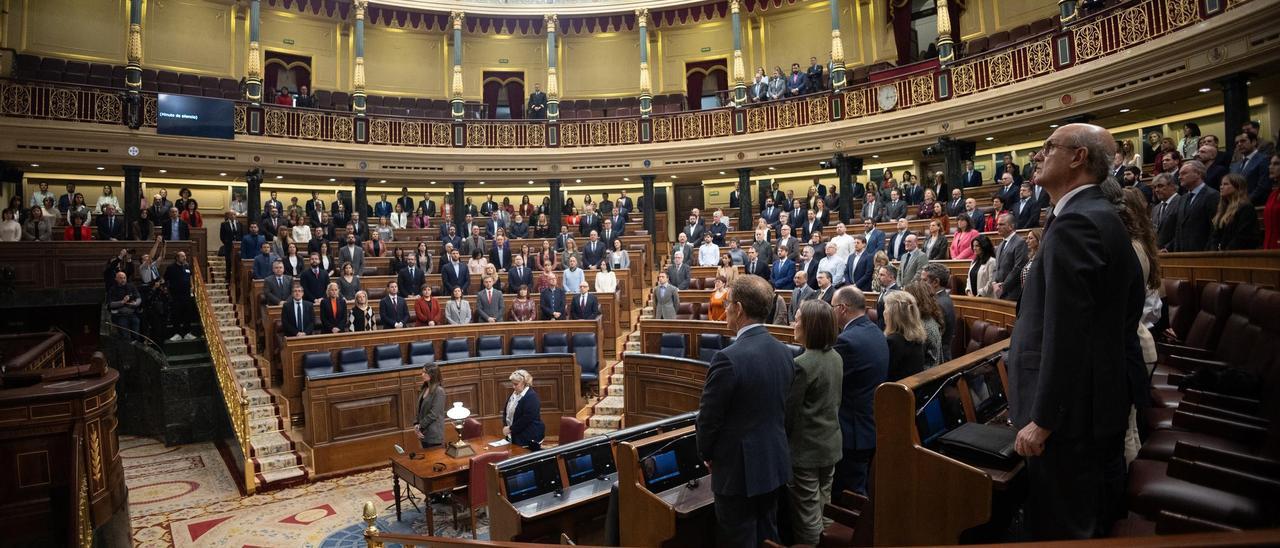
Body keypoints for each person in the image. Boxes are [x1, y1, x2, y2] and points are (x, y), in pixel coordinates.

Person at [1009, 124, 1144, 539]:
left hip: (1069, 424)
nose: (1039, 154)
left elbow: (1069, 334)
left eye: (1049, 147)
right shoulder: (1097, 217)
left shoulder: (1078, 223)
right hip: (1090, 408)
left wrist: (1044, 419)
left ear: (1078, 157)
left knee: (1063, 528)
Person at [696, 275, 794, 547]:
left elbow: (709, 420)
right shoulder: (785, 352)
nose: (725, 310)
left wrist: (707, 454)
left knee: (738, 540)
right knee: (768, 537)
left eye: (727, 304)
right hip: (774, 463)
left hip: (738, 471)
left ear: (738, 308)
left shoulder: (727, 358)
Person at [782, 299, 842, 546]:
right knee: (824, 506)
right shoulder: (836, 357)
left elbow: (789, 414)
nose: (793, 324)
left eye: (797, 319)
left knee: (807, 515)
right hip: (830, 445)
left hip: (806, 451)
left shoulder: (802, 365)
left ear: (810, 326)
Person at [830, 286, 888, 495]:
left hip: (852, 431)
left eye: (832, 307)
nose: (831, 311)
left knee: (850, 496)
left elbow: (829, 381)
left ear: (843, 309)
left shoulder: (847, 341)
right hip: (867, 423)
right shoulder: (874, 331)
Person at [1168, 160, 1220, 251]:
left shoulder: (1212, 196)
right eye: (1179, 174)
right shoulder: (1182, 198)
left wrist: (1210, 252)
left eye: (1184, 173)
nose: (1179, 177)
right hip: (1181, 255)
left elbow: (1214, 229)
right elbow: (1179, 229)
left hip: (1202, 254)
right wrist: (1169, 248)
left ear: (1198, 174)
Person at [1207, 173, 1260, 250]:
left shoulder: (1246, 208)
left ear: (1238, 187)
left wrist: (1225, 250)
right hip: (1220, 255)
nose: (1221, 187)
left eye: (1226, 184)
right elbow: (1215, 235)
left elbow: (1243, 235)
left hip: (1237, 255)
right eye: (1221, 184)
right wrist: (1214, 250)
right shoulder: (1222, 209)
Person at [881, 290, 927, 380]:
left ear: (893, 315)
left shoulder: (892, 341)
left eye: (885, 309)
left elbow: (884, 374)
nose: (884, 313)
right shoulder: (916, 336)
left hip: (897, 391)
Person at [502, 369, 545, 451]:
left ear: (524, 383)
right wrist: (505, 425)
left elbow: (527, 419)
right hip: (514, 433)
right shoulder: (514, 394)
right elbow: (506, 411)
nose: (513, 387)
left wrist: (510, 429)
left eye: (516, 384)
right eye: (512, 384)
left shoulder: (532, 397)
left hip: (528, 435)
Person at [415, 365, 446, 449]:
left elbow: (434, 414)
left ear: (433, 374)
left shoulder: (439, 391)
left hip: (434, 434)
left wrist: (420, 426)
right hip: (423, 433)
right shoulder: (424, 389)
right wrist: (416, 425)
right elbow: (419, 409)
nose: (422, 375)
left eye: (425, 372)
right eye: (422, 372)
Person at [107, 271, 142, 340]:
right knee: (125, 336)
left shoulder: (131, 286)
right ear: (116, 279)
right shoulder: (112, 289)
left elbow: (139, 298)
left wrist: (136, 303)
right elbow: (110, 304)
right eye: (120, 278)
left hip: (132, 313)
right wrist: (122, 302)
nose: (123, 280)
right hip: (120, 315)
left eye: (124, 278)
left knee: (136, 333)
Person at [1265, 155, 1280, 249]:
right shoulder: (1273, 195)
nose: (1270, 167)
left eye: (1276, 164)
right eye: (1270, 164)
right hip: (1269, 247)